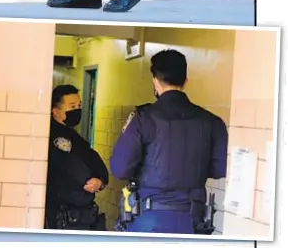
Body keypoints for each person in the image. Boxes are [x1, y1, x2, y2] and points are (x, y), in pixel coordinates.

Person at [110, 49, 229, 234]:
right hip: (193, 221)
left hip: (148, 219)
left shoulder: (142, 118)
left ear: (155, 81)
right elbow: (220, 168)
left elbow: (120, 168)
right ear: (186, 82)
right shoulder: (212, 121)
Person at [45, 84, 108, 231]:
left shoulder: (73, 135)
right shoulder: (55, 136)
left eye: (79, 105)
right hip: (64, 213)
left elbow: (94, 159)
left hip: (80, 213)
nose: (77, 110)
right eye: (72, 106)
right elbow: (69, 164)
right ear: (56, 111)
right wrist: (89, 180)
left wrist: (101, 179)